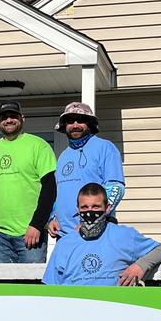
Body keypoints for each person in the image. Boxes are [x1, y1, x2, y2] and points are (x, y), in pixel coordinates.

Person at [0, 101, 56, 263]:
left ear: (22, 118)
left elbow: (50, 189)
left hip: (30, 233)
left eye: (13, 116)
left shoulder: (38, 146)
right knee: (3, 287)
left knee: (30, 286)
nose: (9, 120)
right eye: (4, 117)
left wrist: (37, 224)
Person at [42, 183, 161, 286]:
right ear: (77, 210)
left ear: (107, 208)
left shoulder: (124, 235)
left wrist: (140, 266)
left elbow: (160, 250)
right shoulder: (64, 244)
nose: (89, 212)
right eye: (84, 207)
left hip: (113, 307)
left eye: (96, 207)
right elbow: (50, 288)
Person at [48, 102, 125, 239]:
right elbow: (59, 192)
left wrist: (92, 221)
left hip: (97, 232)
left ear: (90, 123)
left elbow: (116, 187)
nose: (75, 125)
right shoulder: (63, 155)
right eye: (70, 121)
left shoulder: (105, 147)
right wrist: (52, 217)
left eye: (81, 120)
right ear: (64, 125)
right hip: (65, 235)